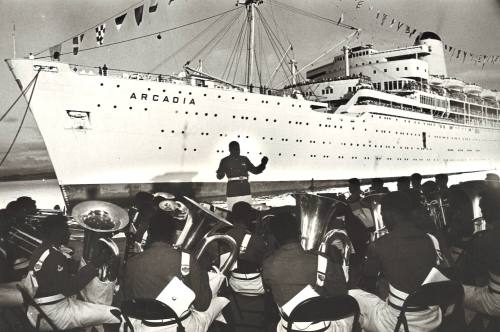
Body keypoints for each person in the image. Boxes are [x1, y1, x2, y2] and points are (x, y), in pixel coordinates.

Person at [349, 192, 442, 332]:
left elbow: (368, 279)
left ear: (389, 214)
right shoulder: (431, 239)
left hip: (400, 323)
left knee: (353, 295)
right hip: (433, 317)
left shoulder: (379, 245)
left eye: (382, 213)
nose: (382, 217)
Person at [122, 212, 228, 332]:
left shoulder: (131, 262)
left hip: (146, 327)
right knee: (221, 301)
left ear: (149, 233)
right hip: (181, 327)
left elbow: (128, 299)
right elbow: (202, 305)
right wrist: (202, 271)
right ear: (173, 235)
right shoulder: (186, 258)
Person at [23, 214, 121, 330]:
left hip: (41, 309)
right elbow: (69, 289)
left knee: (88, 304)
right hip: (53, 314)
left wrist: (87, 265)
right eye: (65, 230)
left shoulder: (43, 250)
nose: (69, 233)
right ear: (55, 232)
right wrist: (95, 264)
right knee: (114, 313)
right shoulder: (54, 257)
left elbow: (59, 276)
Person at [263, 213, 351, 332]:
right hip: (322, 328)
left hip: (288, 327)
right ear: (300, 233)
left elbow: (270, 290)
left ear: (274, 237)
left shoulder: (268, 264)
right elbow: (341, 294)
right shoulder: (322, 260)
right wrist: (336, 263)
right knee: (357, 310)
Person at [462, 189, 500, 320]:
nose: (482, 215)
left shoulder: (485, 239)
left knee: (457, 291)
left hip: (496, 301)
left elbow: (477, 275)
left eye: (483, 211)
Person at [225, 202, 270, 294]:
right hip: (255, 285)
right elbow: (266, 261)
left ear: (233, 216)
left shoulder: (224, 236)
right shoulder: (256, 239)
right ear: (249, 218)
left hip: (231, 285)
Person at [216, 141, 268, 210]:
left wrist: (263, 164)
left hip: (243, 189)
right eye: (235, 149)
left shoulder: (244, 159)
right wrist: (220, 173)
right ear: (230, 150)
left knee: (246, 211)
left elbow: (255, 171)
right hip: (234, 190)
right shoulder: (225, 160)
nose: (237, 150)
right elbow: (220, 177)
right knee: (234, 211)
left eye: (238, 149)